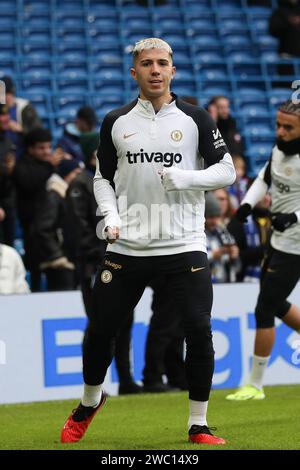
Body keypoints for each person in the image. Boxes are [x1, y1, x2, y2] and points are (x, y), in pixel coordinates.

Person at [60, 37, 236, 445]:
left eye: (162, 63)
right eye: (146, 63)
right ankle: (89, 402)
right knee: (102, 330)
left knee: (198, 329)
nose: (155, 70)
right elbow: (102, 177)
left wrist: (187, 178)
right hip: (128, 246)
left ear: (173, 70)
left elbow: (226, 170)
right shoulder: (116, 121)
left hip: (184, 244)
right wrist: (111, 216)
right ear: (133, 72)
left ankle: (198, 424)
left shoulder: (196, 118)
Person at [226, 100, 300, 401]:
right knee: (275, 301)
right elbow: (264, 179)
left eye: (288, 127)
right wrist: (246, 204)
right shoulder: (279, 149)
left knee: (265, 307)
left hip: (296, 244)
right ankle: (255, 384)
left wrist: (294, 217)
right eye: (278, 125)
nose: (280, 131)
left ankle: (255, 384)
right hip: (278, 239)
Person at [67, 132, 142, 394]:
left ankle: (126, 379)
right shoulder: (81, 184)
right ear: (93, 154)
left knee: (125, 323)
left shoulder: (115, 181)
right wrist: (101, 255)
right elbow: (78, 230)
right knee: (100, 326)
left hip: (122, 261)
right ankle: (95, 385)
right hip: (96, 265)